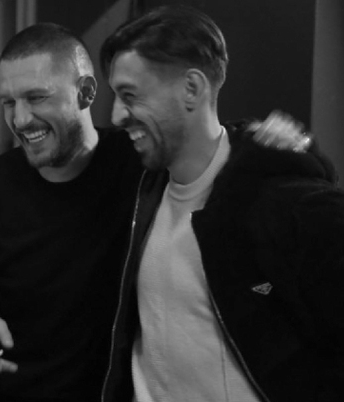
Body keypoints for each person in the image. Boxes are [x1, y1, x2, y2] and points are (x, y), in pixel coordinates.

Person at [0, 22, 311, 402]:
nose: (21, 119)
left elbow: (201, 142)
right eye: (8, 103)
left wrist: (268, 143)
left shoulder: (140, 163)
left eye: (36, 97)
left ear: (86, 92)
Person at [99, 5, 344, 402]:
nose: (116, 115)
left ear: (192, 89)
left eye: (130, 95)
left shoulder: (284, 204)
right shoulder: (138, 190)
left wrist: (304, 155)